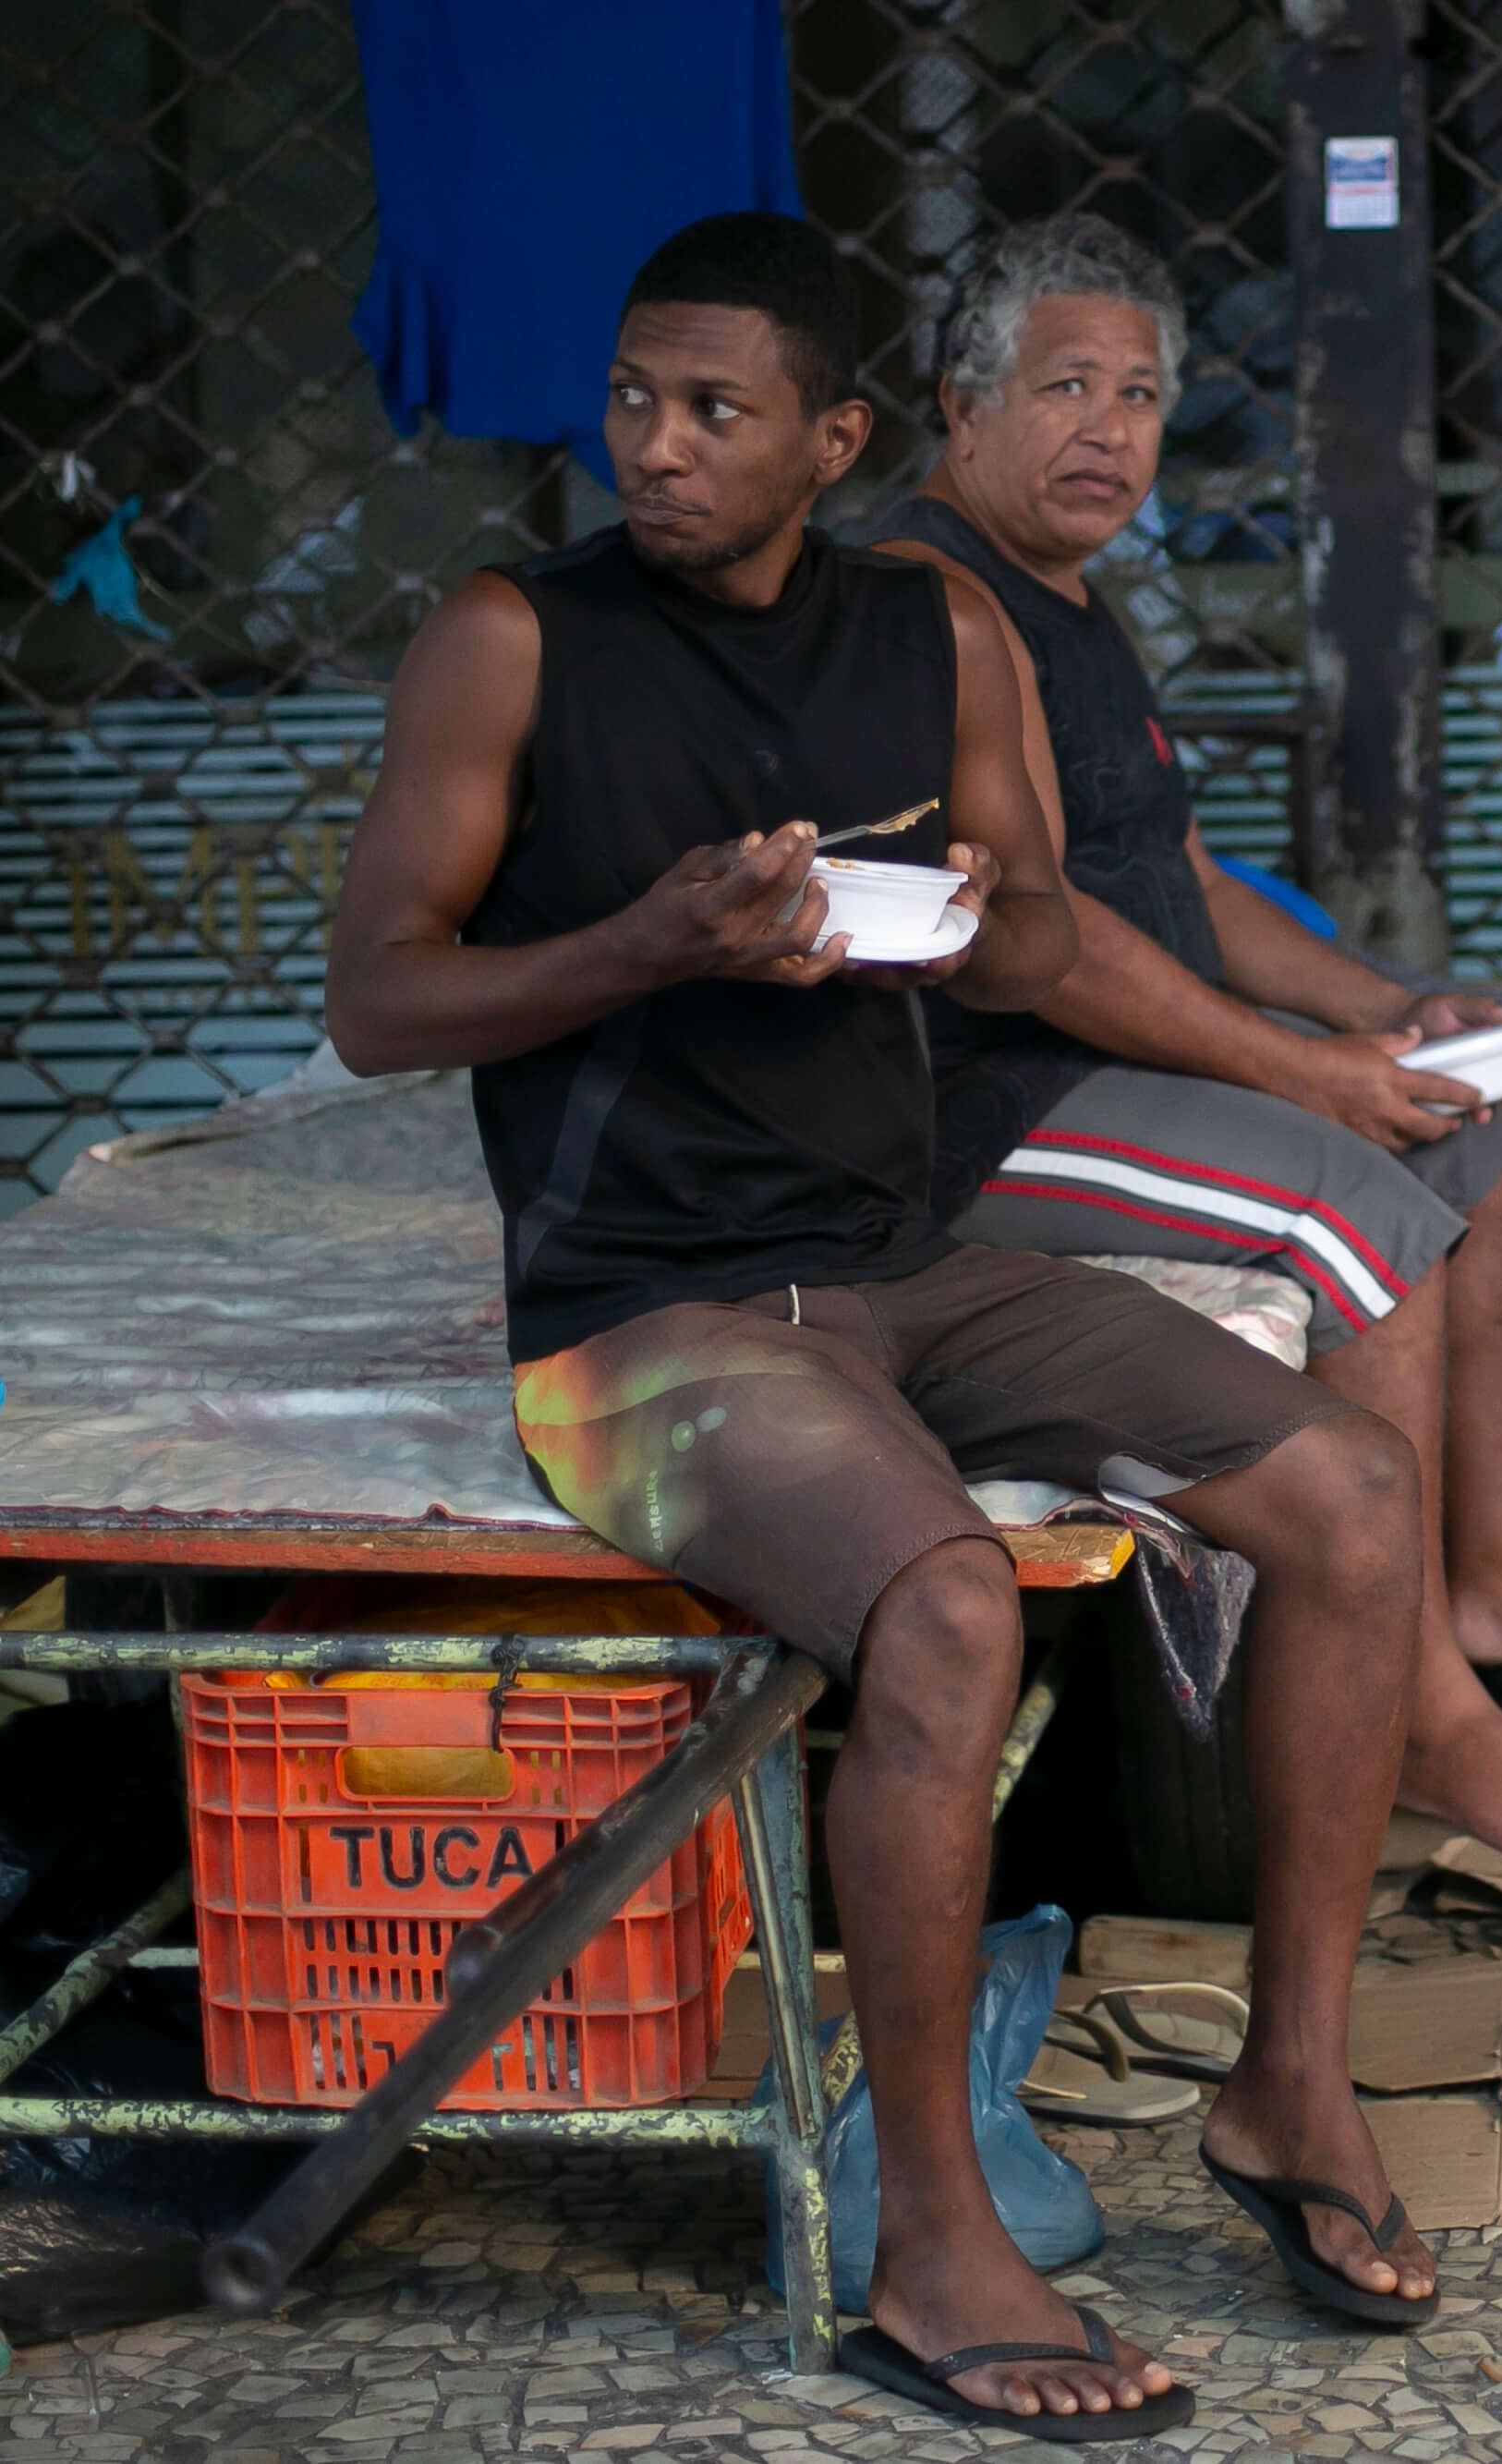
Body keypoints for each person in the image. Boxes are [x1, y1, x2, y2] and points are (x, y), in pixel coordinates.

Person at [324, 214, 1436, 2440]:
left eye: (714, 411)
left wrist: (954, 924)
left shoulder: (935, 631)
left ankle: (1288, 2089)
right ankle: (932, 2242)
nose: (653, 446)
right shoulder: (511, 638)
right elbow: (378, 1004)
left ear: (832, 439)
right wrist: (648, 941)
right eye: (633, 400)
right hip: (647, 1319)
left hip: (902, 1262)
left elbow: (1028, 936)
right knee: (945, 1617)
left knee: (1351, 1488)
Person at [860, 213, 1502, 1864]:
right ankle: (1427, 1715)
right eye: (1067, 386)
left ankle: (1497, 1565)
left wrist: (1384, 1015)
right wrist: (1310, 1076)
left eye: (1144, 396)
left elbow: (1183, 881)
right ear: (961, 405)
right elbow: (1041, 938)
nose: (1113, 430)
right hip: (983, 1101)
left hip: (1115, 1062)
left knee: (1476, 1098)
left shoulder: (1071, 598)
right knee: (1355, 1199)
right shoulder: (937, 596)